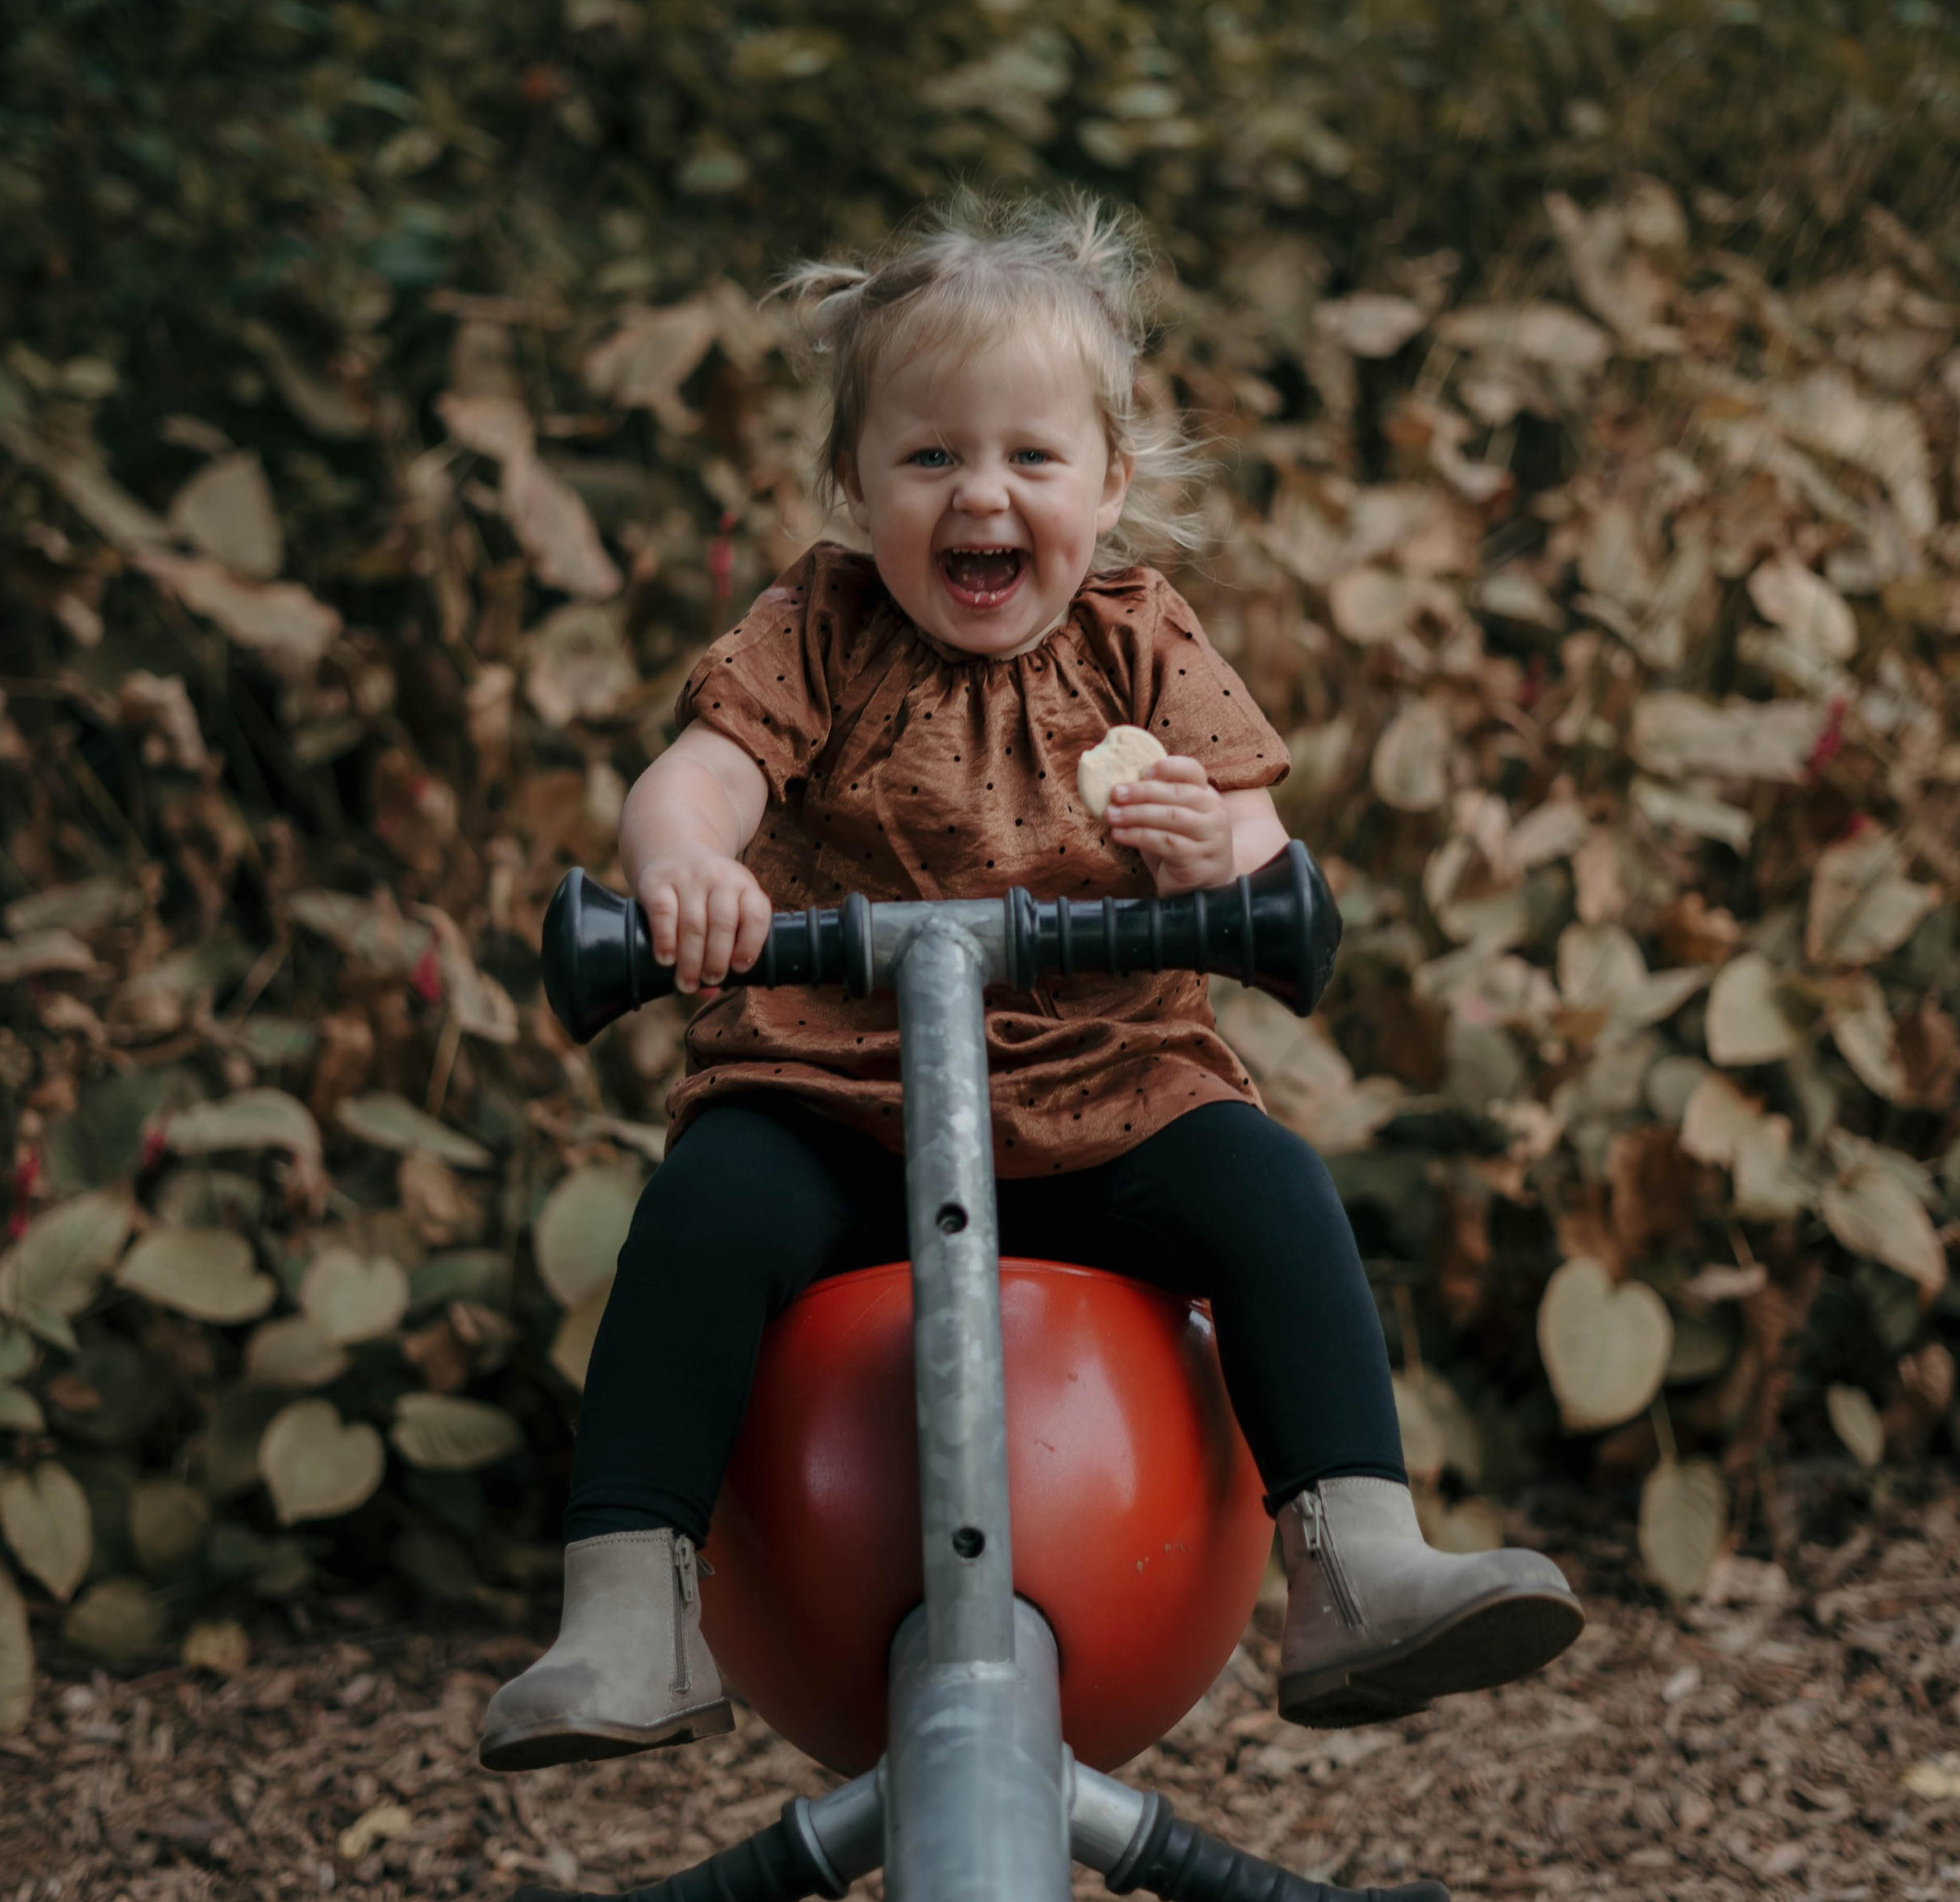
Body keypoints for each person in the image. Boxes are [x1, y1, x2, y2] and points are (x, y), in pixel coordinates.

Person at [480, 196, 1580, 1772]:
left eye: (1030, 458)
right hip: (836, 1098)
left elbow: (1262, 846)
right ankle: (625, 1609)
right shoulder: (818, 632)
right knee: (706, 1216)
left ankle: (1358, 1560)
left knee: (1269, 1188)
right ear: (856, 484)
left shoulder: (1145, 643)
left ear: (1109, 483)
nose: (980, 492)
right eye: (930, 458)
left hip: (1106, 1099)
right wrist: (687, 871)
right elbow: (699, 778)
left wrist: (1212, 847)